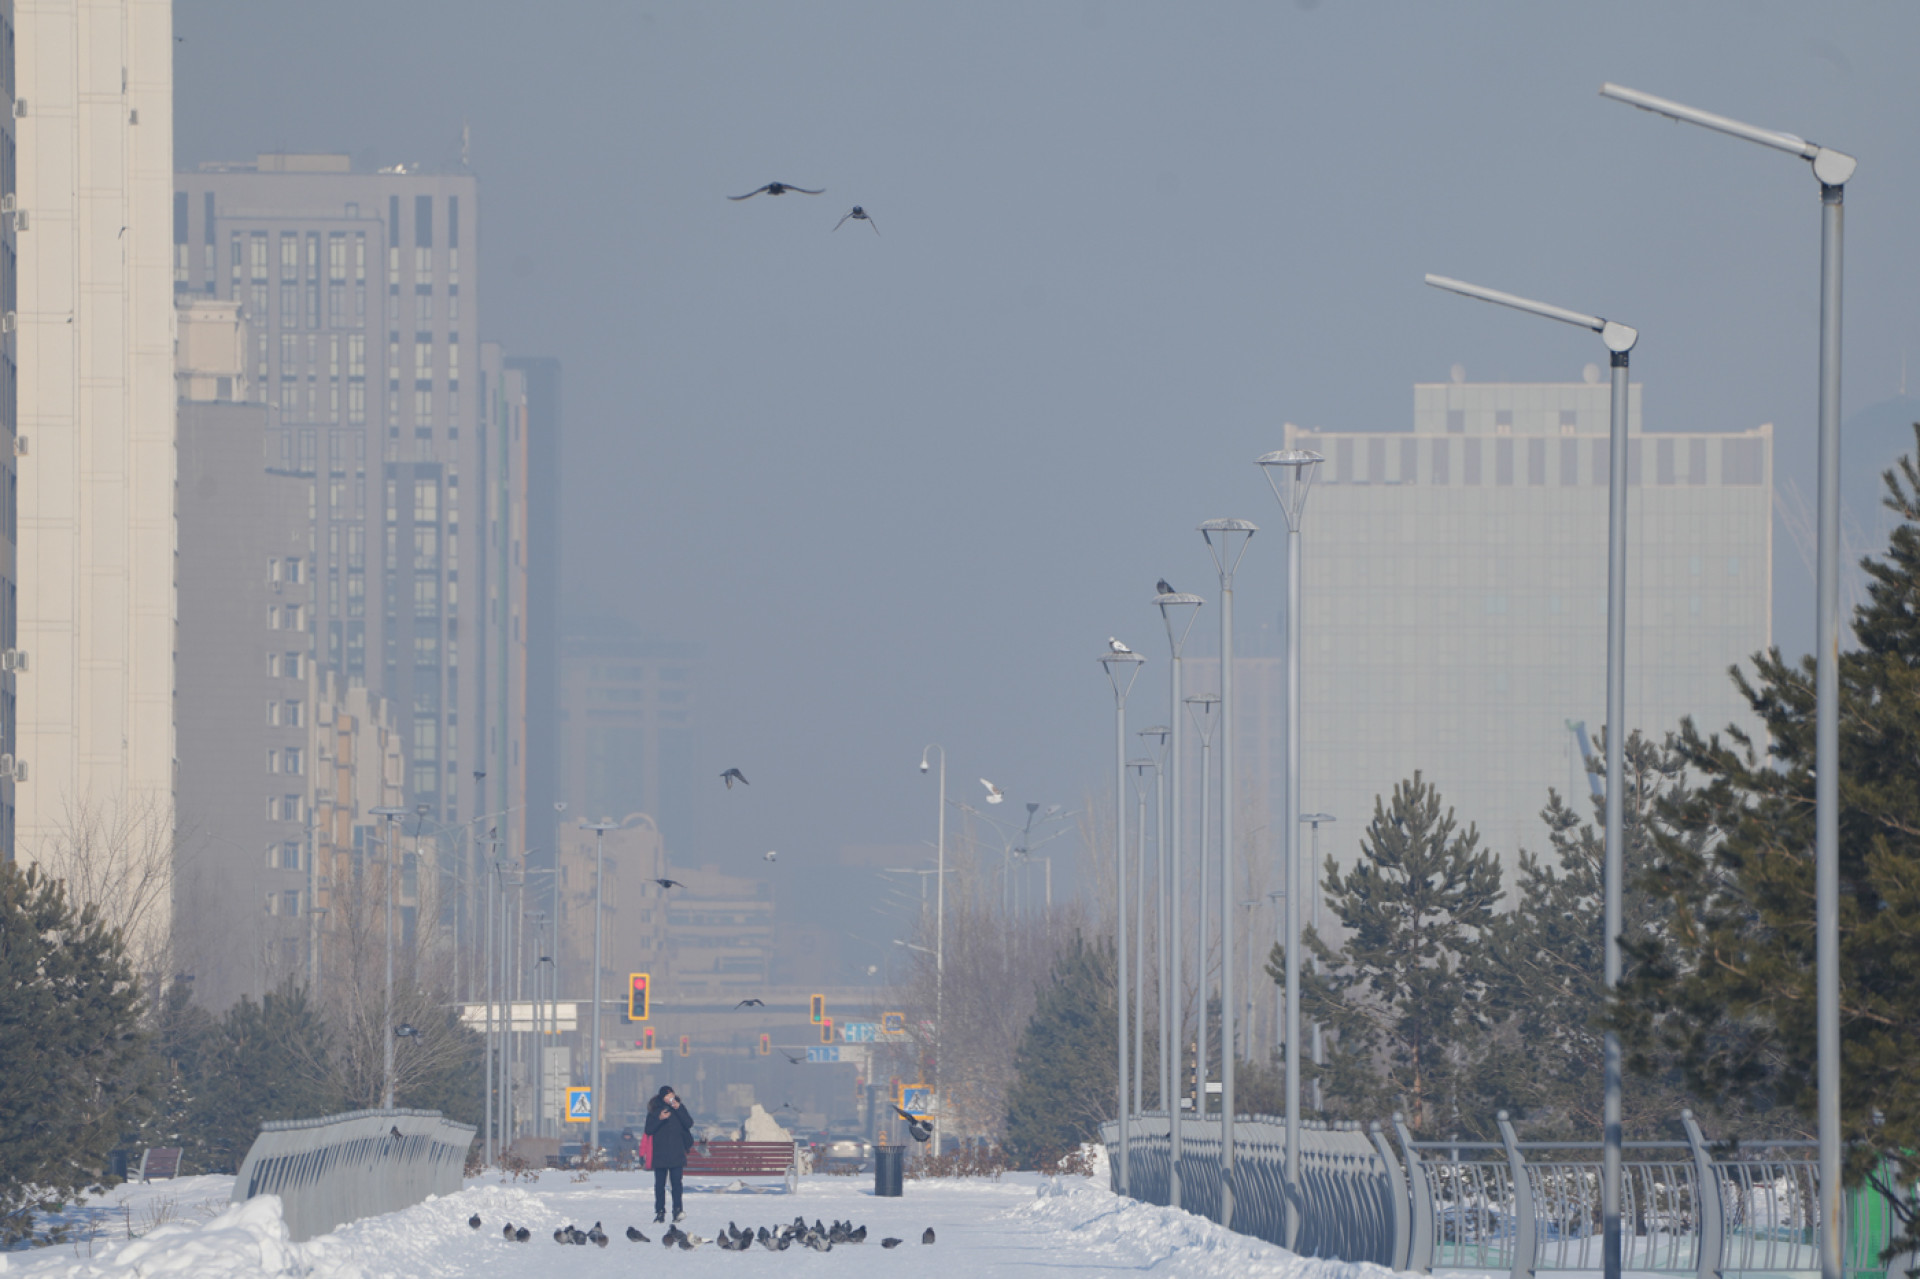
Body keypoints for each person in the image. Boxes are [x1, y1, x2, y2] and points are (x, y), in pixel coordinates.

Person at [644, 1084, 695, 1223]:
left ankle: (677, 1210)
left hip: (676, 1153)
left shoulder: (679, 1108)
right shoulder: (655, 1110)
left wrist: (679, 1109)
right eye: (667, 1096)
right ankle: (660, 1212)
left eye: (671, 1094)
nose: (670, 1098)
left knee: (676, 1184)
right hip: (660, 1154)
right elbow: (648, 1129)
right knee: (659, 1185)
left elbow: (689, 1123)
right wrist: (659, 1118)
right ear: (662, 1097)